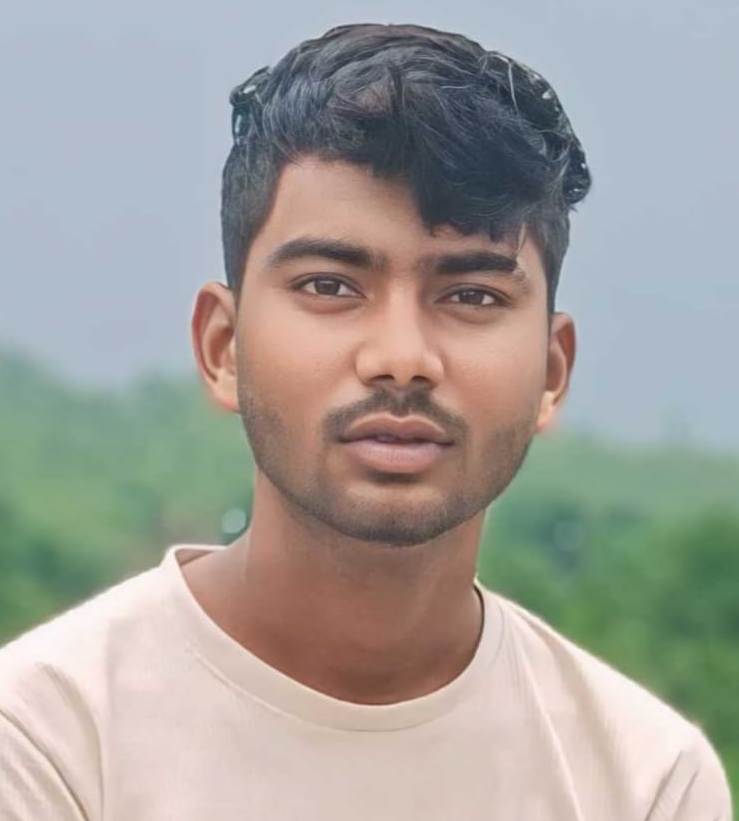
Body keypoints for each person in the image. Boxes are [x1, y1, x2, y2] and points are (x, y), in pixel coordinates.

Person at [0, 22, 732, 821]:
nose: (401, 358)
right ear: (223, 346)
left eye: (471, 295)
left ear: (551, 373)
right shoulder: (47, 741)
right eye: (330, 286)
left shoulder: (644, 782)